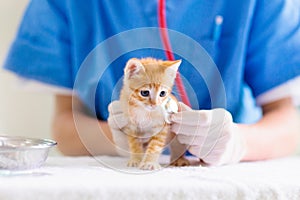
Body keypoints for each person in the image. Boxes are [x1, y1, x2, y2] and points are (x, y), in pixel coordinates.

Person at [3, 0, 300, 165]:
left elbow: (289, 123)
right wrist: (120, 139)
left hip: (232, 176)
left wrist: (240, 142)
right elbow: (66, 125)